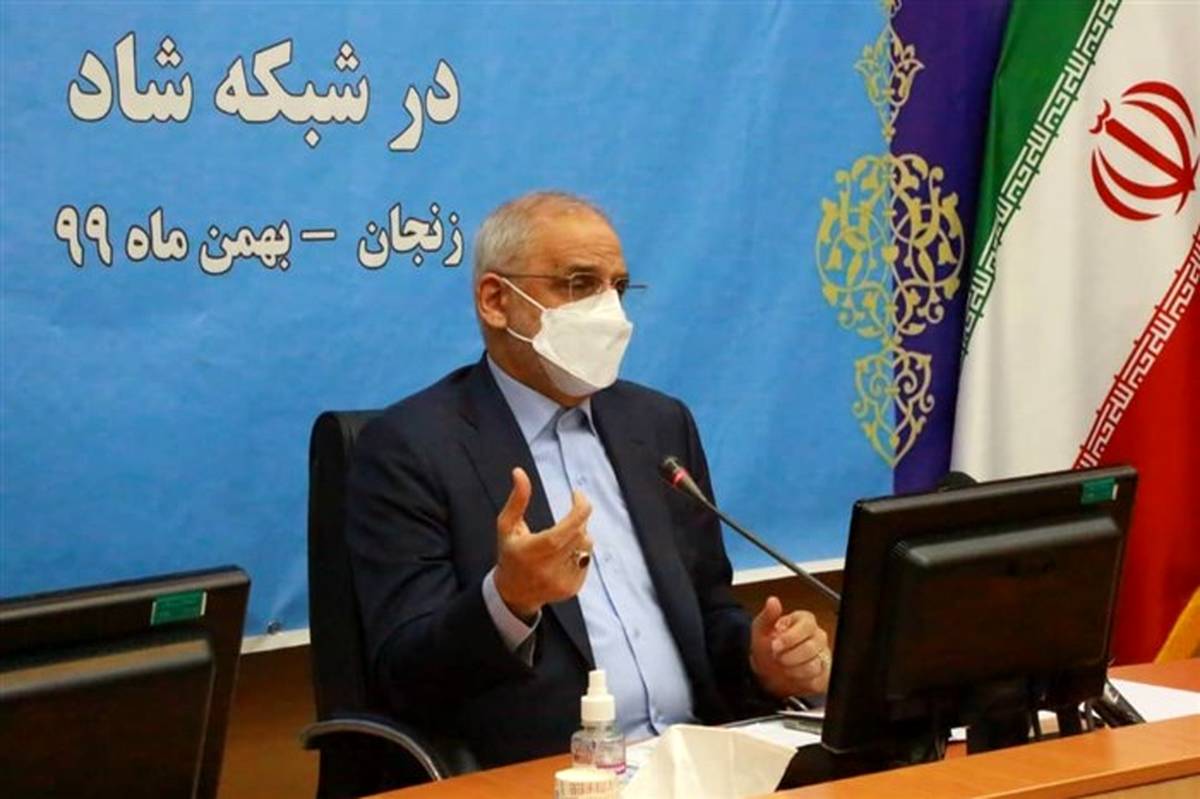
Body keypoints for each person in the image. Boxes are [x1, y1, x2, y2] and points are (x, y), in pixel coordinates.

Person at [346, 191, 831, 767]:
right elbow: (403, 673)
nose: (609, 311)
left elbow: (708, 608)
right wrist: (508, 601)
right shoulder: (410, 448)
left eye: (617, 288)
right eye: (580, 284)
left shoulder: (658, 424)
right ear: (496, 301)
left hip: (698, 759)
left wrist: (760, 660)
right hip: (553, 774)